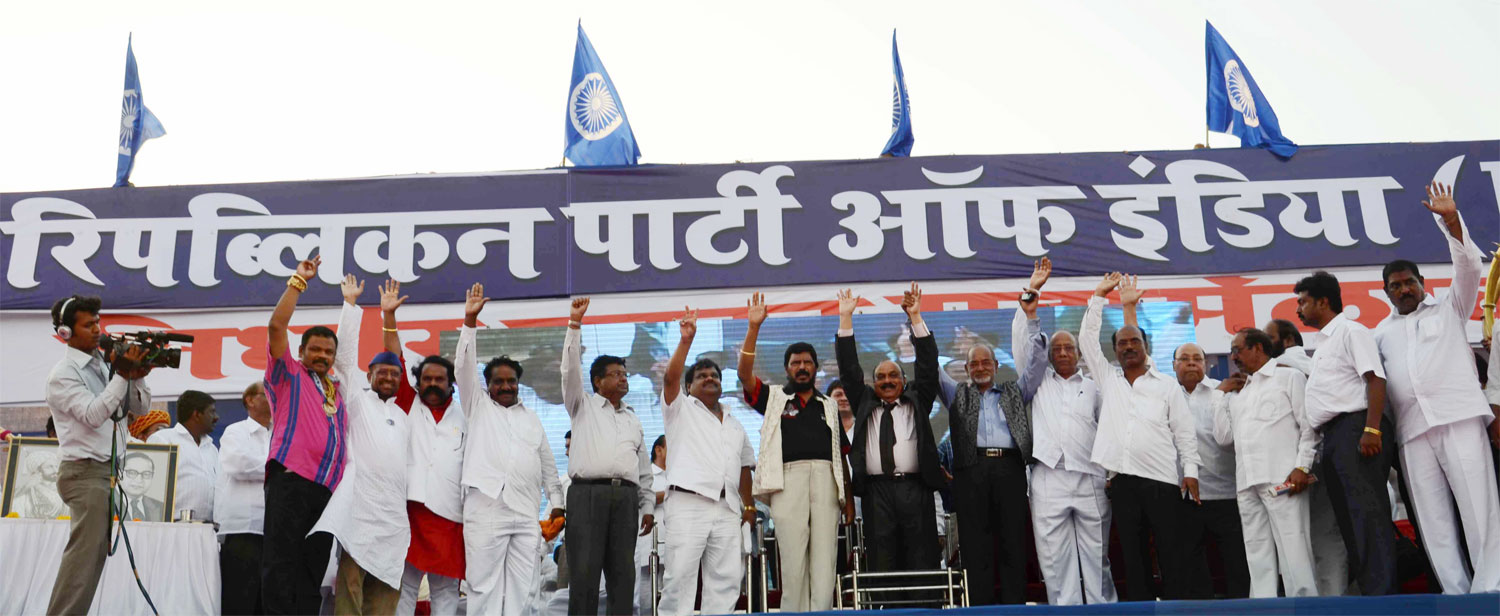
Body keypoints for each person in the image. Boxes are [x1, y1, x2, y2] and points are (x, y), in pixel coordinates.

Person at [1374, 182, 1500, 594]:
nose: (1404, 289)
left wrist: (1450, 220)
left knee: (1479, 511)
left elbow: (1470, 268)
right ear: (1387, 292)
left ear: (1422, 282)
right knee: (1433, 522)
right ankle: (1456, 592)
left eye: (1409, 281)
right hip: (1412, 433)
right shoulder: (1378, 335)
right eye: (1395, 285)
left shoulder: (1451, 308)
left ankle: (1489, 590)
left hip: (1458, 418)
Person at [1081, 273, 1201, 601]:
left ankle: (1178, 609)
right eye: (1122, 343)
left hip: (1162, 480)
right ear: (1115, 351)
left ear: (1145, 347)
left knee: (1171, 552)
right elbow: (1087, 341)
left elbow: (1184, 431)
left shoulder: (1166, 385)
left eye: (1135, 342)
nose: (1129, 346)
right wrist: (1098, 296)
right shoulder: (1108, 380)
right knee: (1133, 558)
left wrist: (1190, 471)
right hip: (1122, 482)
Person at [936, 262, 1047, 605]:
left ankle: (1014, 608)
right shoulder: (957, 394)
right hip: (971, 473)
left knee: (1013, 541)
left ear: (996, 366)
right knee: (975, 545)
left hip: (1010, 471)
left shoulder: (1015, 391)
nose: (981, 368)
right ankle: (980, 609)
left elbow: (1039, 361)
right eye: (974, 364)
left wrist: (1031, 315)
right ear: (966, 369)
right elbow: (930, 368)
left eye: (986, 363)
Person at [738, 292, 854, 612]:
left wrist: (848, 500)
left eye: (807, 362)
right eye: (795, 363)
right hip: (787, 481)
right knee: (791, 560)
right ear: (787, 368)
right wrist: (753, 327)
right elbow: (745, 376)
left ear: (816, 367)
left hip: (827, 482)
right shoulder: (774, 398)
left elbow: (841, 454)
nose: (802, 368)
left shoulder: (828, 404)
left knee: (825, 560)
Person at [456, 283, 566, 616]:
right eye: (498, 381)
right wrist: (469, 322)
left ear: (519, 384)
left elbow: (547, 464)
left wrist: (558, 504)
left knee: (525, 589)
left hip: (525, 511)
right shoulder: (477, 406)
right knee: (483, 587)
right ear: (487, 385)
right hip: (486, 507)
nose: (505, 386)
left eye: (511, 381)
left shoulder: (531, 419)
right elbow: (463, 368)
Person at [43, 294, 153, 615]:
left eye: (98, 322)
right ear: (65, 332)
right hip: (84, 473)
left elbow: (141, 408)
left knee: (89, 565)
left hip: (104, 474)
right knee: (81, 567)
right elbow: (93, 414)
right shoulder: (62, 375)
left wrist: (138, 373)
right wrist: (121, 374)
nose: (97, 329)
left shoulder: (105, 364)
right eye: (88, 324)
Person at [312, 277, 412, 615]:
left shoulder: (403, 415)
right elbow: (344, 357)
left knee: (385, 601)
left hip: (394, 519)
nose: (387, 377)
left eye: (394, 374)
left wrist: (390, 318)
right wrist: (351, 306)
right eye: (381, 372)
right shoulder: (357, 398)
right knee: (350, 596)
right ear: (368, 375)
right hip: (360, 513)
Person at [1295, 269, 1397, 595]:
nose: (1298, 309)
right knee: (1349, 519)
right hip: (1334, 436)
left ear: (1323, 302)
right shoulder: (1323, 342)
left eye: (1304, 302)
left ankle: (1383, 596)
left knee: (1367, 514)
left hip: (1357, 428)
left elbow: (1376, 379)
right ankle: (1370, 592)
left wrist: (1371, 428)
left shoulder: (1351, 331)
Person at [838, 284, 945, 594]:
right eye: (881, 377)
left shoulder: (917, 401)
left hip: (915, 488)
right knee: (882, 562)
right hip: (876, 493)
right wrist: (846, 320)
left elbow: (927, 364)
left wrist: (916, 318)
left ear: (904, 381)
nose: (887, 381)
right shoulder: (864, 404)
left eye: (893, 376)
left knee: (921, 559)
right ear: (873, 384)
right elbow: (848, 370)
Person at [262, 256, 350, 615]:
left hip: (326, 492)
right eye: (315, 349)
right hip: (291, 482)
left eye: (329, 352)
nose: (322, 355)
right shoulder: (289, 374)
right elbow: (276, 325)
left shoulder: (337, 391)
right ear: (301, 352)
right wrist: (298, 280)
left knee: (312, 570)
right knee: (280, 568)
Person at [656, 308, 756, 616]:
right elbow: (670, 377)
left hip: (727, 509)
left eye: (714, 375)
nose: (710, 378)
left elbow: (744, 465)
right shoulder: (679, 408)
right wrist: (686, 341)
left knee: (726, 583)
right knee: (679, 582)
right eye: (701, 376)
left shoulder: (734, 421)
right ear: (689, 387)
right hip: (688, 504)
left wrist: (749, 506)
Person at [562, 297, 655, 616]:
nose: (624, 378)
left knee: (623, 579)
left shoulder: (633, 418)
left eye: (625, 373)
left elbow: (643, 469)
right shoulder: (581, 404)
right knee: (585, 578)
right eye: (615, 374)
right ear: (597, 382)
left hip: (626, 500)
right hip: (587, 495)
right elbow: (569, 369)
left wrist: (648, 505)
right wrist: (574, 324)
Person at [1212, 328, 1319, 597]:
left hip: (1281, 477)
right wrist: (1220, 396)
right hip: (1247, 481)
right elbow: (1224, 438)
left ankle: (1304, 606)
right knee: (1256, 551)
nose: (1233, 356)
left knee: (1293, 547)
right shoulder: (1240, 393)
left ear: (1258, 348)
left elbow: (1309, 426)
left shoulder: (1288, 377)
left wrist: (1303, 467)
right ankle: (1263, 607)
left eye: (1238, 350)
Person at [1266, 317, 1348, 596]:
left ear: (1288, 340)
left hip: (1312, 461)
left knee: (1322, 534)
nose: (1262, 346)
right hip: (1298, 463)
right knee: (1307, 538)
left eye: (1268, 338)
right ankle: (1324, 599)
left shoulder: (1292, 363)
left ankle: (1331, 600)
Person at [1169, 341, 1248, 599]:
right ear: (1174, 365)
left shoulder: (1222, 391)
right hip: (1183, 497)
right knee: (1191, 565)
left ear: (1206, 364)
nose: (1191, 362)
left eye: (1197, 358)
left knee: (1236, 562)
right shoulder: (1165, 395)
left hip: (1225, 493)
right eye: (1184, 358)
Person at [397, 346, 468, 616]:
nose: (433, 384)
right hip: (412, 511)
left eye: (440, 379)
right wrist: (389, 318)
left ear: (451, 383)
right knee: (404, 588)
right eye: (427, 379)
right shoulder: (409, 403)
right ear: (418, 382)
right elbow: (397, 359)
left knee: (446, 591)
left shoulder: (466, 415)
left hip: (451, 516)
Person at [217, 381, 274, 615]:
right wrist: (278, 470)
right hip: (243, 528)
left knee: (266, 602)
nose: (273, 399)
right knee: (239, 601)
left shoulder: (279, 433)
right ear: (250, 400)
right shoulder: (236, 430)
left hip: (273, 531)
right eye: (267, 394)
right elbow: (239, 465)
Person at [148, 389, 219, 521]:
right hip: (173, 528)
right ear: (196, 414)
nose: (216, 418)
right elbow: (151, 492)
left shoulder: (212, 448)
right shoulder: (163, 440)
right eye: (212, 412)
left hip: (207, 530)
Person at [636, 435, 667, 616]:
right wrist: (671, 492)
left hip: (670, 547)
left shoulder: (676, 475)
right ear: (658, 450)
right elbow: (644, 499)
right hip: (649, 548)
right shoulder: (648, 475)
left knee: (667, 600)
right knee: (645, 602)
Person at [119, 451, 166, 520]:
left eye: (146, 474)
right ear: (119, 474)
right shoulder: (105, 503)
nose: (139, 480)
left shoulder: (161, 507)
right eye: (132, 473)